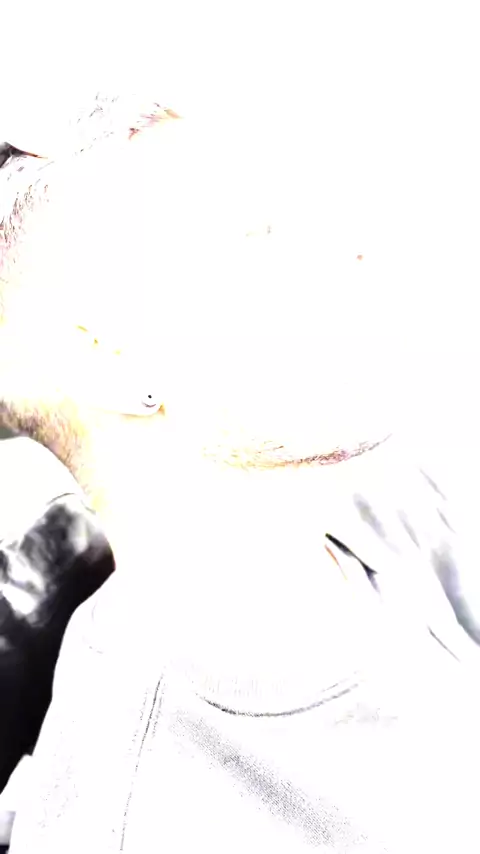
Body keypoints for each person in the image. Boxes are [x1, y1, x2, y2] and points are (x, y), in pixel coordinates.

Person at [1, 87, 480, 853]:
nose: (357, 247)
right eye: (258, 233)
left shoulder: (393, 506)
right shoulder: (142, 823)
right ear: (106, 358)